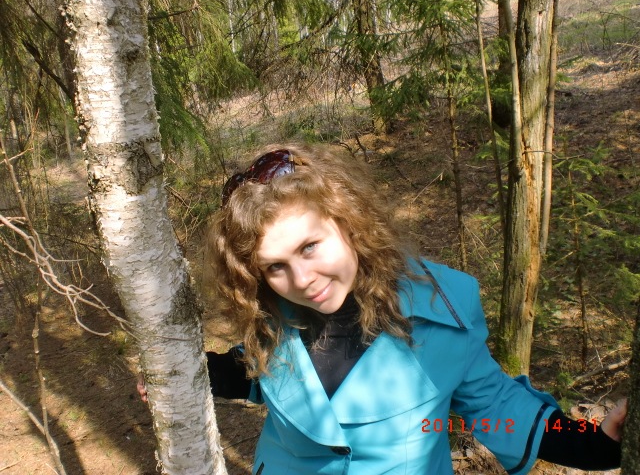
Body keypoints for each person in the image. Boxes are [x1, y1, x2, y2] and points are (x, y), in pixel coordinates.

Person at [140, 144, 626, 474]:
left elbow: (500, 409)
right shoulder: (274, 313)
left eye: (310, 247)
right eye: (275, 266)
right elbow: (258, 372)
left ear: (348, 222)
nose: (302, 280)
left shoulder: (443, 312)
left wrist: (595, 441)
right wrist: (189, 375)